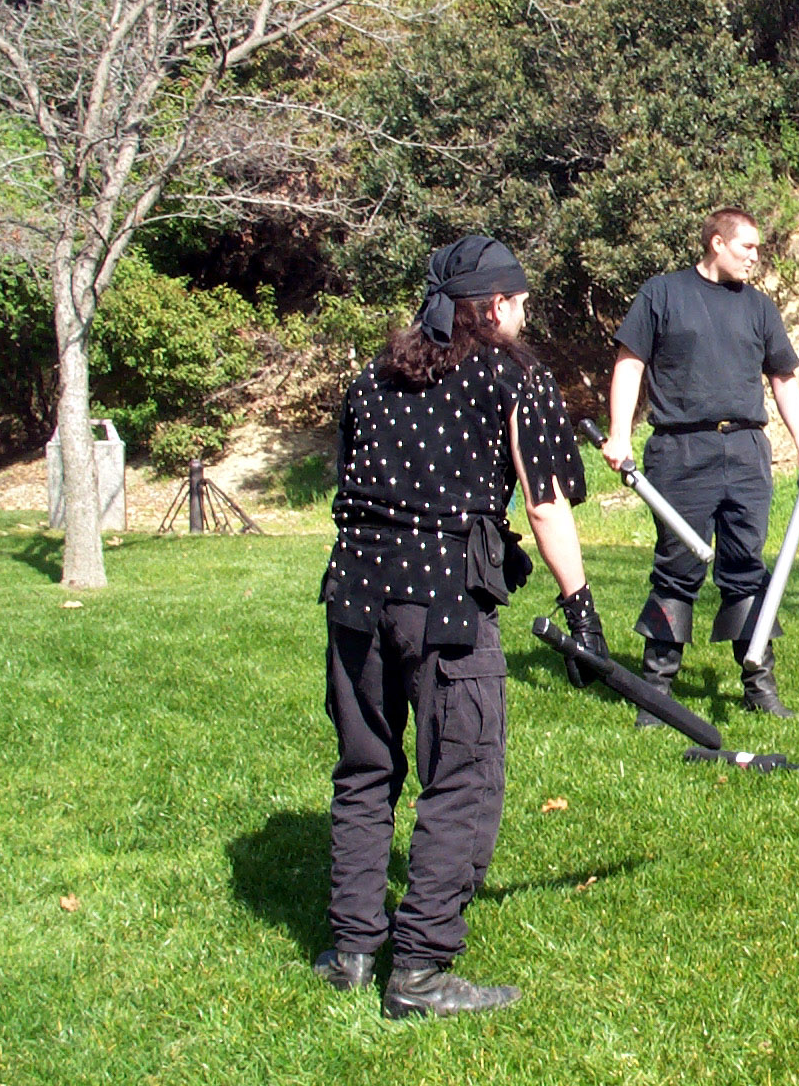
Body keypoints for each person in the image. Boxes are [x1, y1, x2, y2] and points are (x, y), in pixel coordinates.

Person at [314, 236, 607, 1019]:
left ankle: (351, 950)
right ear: (495, 305)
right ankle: (418, 971)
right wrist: (580, 606)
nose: (526, 315)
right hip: (445, 604)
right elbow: (545, 502)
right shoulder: (513, 376)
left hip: (355, 594)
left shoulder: (373, 375)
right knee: (463, 779)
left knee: (365, 769)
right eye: (521, 302)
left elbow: (349, 482)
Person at [602, 208, 799, 724]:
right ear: (717, 243)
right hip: (681, 452)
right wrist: (619, 433)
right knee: (678, 567)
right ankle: (657, 692)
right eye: (747, 246)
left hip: (746, 452)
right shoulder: (662, 294)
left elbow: (784, 379)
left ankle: (759, 687)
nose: (755, 257)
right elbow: (629, 364)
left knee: (746, 567)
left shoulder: (759, 307)